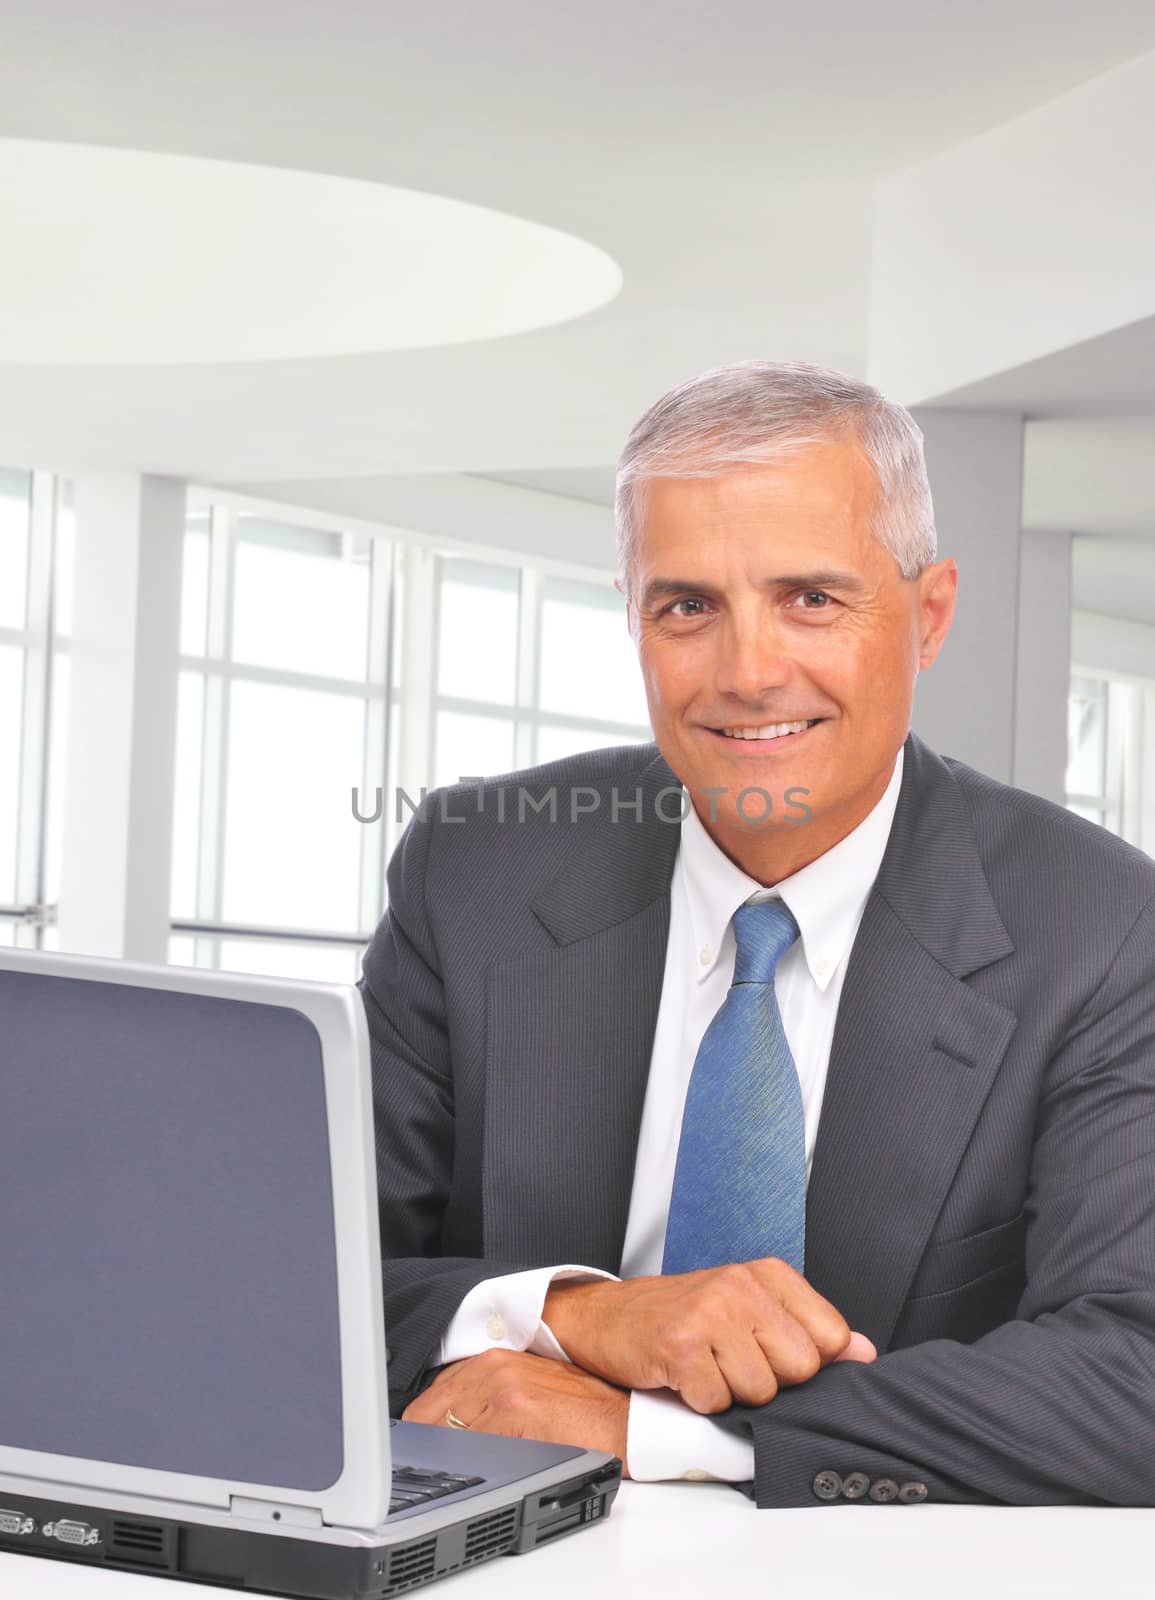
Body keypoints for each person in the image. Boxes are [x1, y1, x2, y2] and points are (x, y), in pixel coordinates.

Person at [359, 360, 1155, 1507]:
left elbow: (1131, 1376)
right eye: (688, 606)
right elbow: (288, 1272)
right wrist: (576, 1311)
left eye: (811, 600)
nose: (748, 673)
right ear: (633, 619)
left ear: (927, 618)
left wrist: (655, 1432)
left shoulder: (1102, 928)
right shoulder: (476, 864)